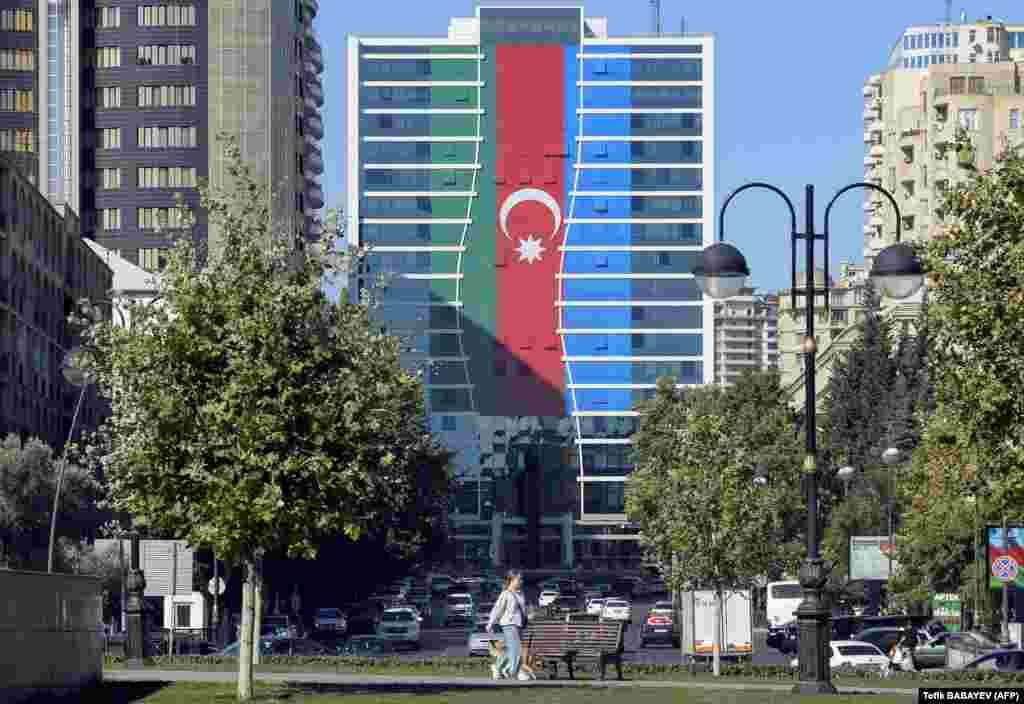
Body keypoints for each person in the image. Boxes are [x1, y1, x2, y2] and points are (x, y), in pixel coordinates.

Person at [487, 569, 530, 682]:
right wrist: (491, 623)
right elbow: (498, 609)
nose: (521, 581)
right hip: (509, 624)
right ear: (512, 580)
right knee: (517, 649)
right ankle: (513, 672)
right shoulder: (505, 594)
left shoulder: (520, 593)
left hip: (519, 624)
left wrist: (528, 617)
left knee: (510, 649)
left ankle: (497, 667)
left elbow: (523, 610)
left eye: (521, 579)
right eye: (519, 579)